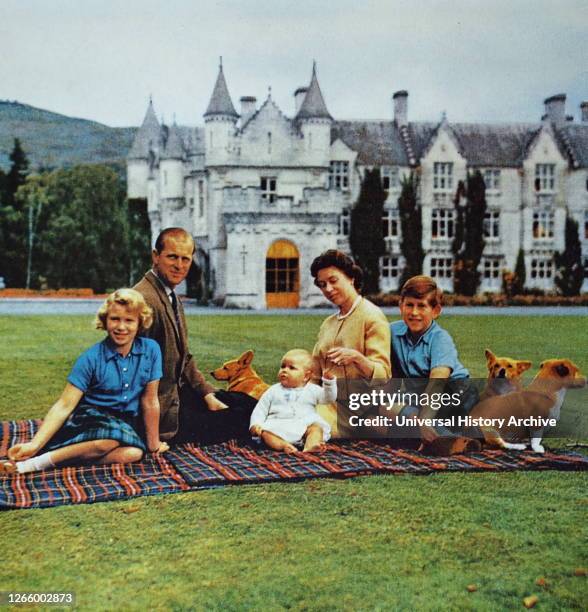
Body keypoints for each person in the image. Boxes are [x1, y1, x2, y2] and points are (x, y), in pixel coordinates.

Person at [1, 289, 167, 474]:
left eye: (129, 320)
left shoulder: (151, 350)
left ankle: (67, 457)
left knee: (133, 453)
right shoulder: (91, 358)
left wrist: (154, 445)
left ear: (140, 323)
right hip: (90, 419)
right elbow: (64, 405)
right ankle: (31, 465)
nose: (121, 327)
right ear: (105, 321)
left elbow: (150, 400)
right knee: (109, 440)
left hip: (125, 423)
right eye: (115, 319)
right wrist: (34, 444)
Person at [134, 227, 256, 445]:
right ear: (155, 256)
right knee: (245, 417)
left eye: (185, 259)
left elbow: (185, 358)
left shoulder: (170, 296)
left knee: (249, 402)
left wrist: (207, 395)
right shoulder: (143, 300)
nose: (179, 266)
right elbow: (133, 373)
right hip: (164, 413)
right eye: (172, 257)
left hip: (180, 395)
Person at [310, 250, 392, 437]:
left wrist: (356, 358)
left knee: (298, 423)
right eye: (322, 285)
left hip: (358, 410)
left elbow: (383, 375)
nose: (328, 289)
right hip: (325, 402)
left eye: (333, 280)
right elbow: (315, 371)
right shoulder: (328, 323)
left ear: (351, 278)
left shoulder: (372, 316)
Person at [390, 275, 479, 443]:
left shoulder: (440, 338)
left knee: (408, 422)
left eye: (422, 306)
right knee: (388, 409)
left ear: (435, 311)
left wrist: (425, 418)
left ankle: (453, 438)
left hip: (454, 391)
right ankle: (447, 435)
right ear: (401, 306)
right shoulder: (392, 332)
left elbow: (438, 381)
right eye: (409, 305)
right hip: (420, 395)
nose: (414, 312)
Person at [250, 349, 336, 453]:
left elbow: (328, 398)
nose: (285, 370)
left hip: (304, 424)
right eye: (283, 366)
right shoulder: (273, 390)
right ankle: (284, 446)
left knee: (316, 427)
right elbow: (260, 409)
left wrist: (329, 384)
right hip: (278, 426)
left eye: (292, 368)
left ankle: (311, 445)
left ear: (306, 376)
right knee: (265, 433)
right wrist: (255, 424)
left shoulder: (312, 389)